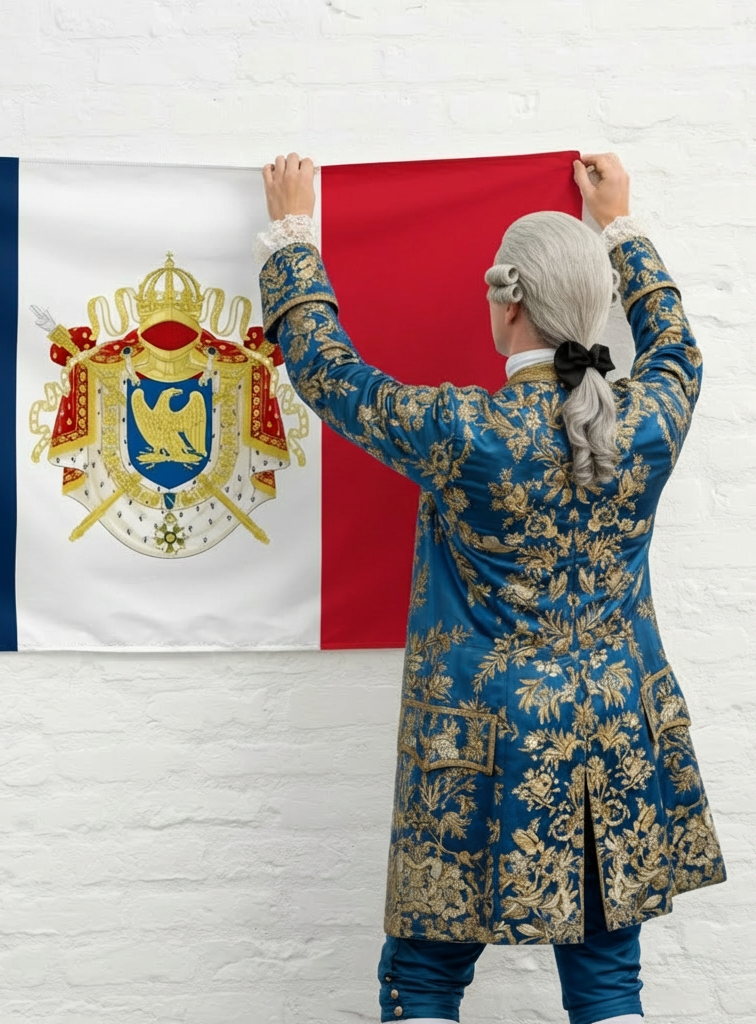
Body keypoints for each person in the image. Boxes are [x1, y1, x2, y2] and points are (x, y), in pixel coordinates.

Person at [255, 153, 725, 1024]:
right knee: (608, 981)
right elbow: (676, 342)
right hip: (614, 729)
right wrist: (620, 224)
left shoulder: (464, 430)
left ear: (508, 304)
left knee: (426, 975)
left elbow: (327, 372)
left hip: (475, 742)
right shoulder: (652, 416)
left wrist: (292, 236)